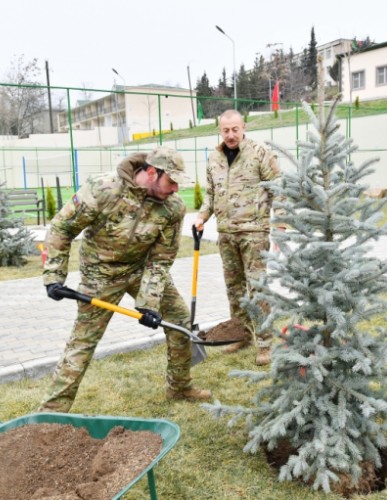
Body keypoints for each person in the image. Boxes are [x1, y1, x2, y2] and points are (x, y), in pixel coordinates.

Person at [38, 146, 211, 412]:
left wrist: (148, 302)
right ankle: (52, 412)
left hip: (142, 269)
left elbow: (161, 259)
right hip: (100, 274)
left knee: (179, 319)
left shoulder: (173, 208)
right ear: (152, 172)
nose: (176, 189)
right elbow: (63, 226)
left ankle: (179, 387)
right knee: (83, 341)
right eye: (171, 181)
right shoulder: (104, 188)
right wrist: (54, 274)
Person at [193, 109, 282, 366]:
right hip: (226, 233)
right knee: (234, 289)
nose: (230, 135)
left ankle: (265, 343)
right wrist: (201, 217)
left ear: (243, 127)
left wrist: (282, 225)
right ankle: (241, 334)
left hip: (254, 233)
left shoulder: (259, 153)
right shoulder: (214, 157)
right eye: (225, 130)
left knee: (257, 289)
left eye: (235, 129)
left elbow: (279, 188)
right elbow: (210, 193)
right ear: (220, 130)